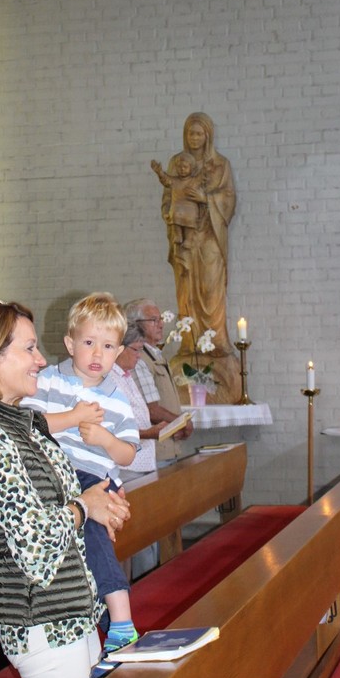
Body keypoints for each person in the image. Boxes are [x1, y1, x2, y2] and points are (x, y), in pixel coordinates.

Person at [0, 298, 131, 678]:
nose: (41, 360)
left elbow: (62, 498)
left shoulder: (17, 423)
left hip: (69, 608)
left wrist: (101, 506)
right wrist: (85, 507)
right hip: (40, 618)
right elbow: (36, 543)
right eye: (29, 348)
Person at [24, 292, 140, 678]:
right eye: (89, 342)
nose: (97, 354)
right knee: (85, 549)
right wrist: (74, 417)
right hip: (55, 475)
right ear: (70, 343)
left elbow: (128, 453)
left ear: (118, 352)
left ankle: (121, 623)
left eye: (107, 346)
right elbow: (28, 424)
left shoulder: (118, 399)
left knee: (93, 536)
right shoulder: (48, 381)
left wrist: (105, 439)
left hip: (93, 477)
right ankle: (111, 626)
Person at [158, 111, 236, 354]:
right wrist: (171, 216)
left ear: (208, 136)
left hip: (210, 236)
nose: (194, 138)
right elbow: (168, 196)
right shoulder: (176, 162)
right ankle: (190, 343)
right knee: (187, 289)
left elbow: (229, 198)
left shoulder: (220, 164)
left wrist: (205, 198)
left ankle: (216, 343)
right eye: (190, 133)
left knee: (210, 289)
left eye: (199, 133)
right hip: (185, 238)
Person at [111, 322, 161, 578]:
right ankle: (138, 582)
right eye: (136, 349)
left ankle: (145, 578)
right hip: (129, 466)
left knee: (146, 529)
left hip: (144, 461)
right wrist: (150, 432)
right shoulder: (110, 379)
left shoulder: (126, 376)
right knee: (133, 533)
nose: (139, 356)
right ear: (120, 348)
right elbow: (115, 429)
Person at [124, 298, 193, 460]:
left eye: (160, 319)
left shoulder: (153, 354)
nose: (161, 324)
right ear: (135, 324)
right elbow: (150, 409)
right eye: (153, 320)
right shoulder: (138, 358)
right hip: (155, 450)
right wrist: (181, 422)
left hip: (167, 445)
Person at [151, 152, 205, 254]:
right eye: (179, 167)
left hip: (190, 208)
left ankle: (188, 239)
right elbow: (165, 180)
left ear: (191, 168)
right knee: (174, 215)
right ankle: (178, 235)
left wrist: (208, 167)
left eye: (185, 167)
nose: (182, 169)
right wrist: (159, 172)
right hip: (177, 207)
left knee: (190, 222)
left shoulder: (194, 181)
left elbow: (203, 177)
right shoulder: (174, 180)